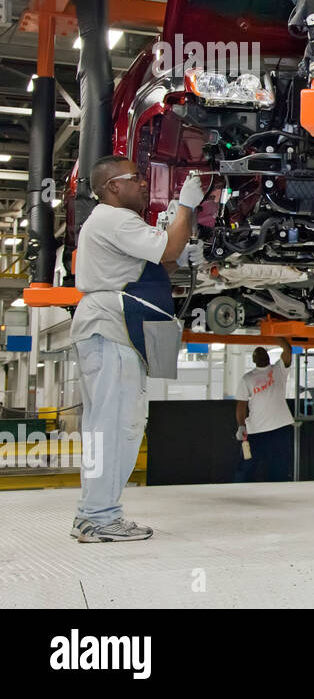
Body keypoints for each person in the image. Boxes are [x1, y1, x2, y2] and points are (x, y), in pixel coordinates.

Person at [70, 156, 204, 543]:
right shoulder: (114, 218)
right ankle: (99, 518)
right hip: (111, 330)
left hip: (107, 329)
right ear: (112, 186)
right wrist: (186, 206)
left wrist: (180, 255)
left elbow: (157, 264)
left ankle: (92, 513)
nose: (145, 183)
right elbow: (164, 250)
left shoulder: (110, 222)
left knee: (104, 428)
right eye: (136, 178)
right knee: (117, 426)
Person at [235, 339, 295, 482]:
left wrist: (276, 336)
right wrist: (241, 425)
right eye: (257, 354)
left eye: (262, 353)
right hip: (256, 430)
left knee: (280, 466)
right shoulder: (247, 379)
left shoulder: (278, 370)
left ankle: (279, 492)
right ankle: (240, 491)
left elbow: (288, 350)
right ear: (254, 360)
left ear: (268, 357)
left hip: (280, 426)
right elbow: (241, 405)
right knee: (248, 465)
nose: (260, 356)